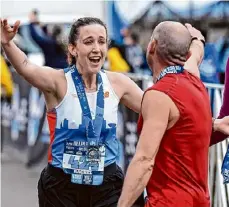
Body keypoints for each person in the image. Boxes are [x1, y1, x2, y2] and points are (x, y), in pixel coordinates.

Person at [1, 17, 228, 207]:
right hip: (62, 186)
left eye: (101, 42)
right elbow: (26, 66)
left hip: (107, 184)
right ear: (73, 48)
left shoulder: (118, 83)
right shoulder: (58, 81)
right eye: (88, 42)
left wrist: (212, 124)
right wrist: (7, 44)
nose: (96, 48)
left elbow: (163, 112)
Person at [117, 21, 229, 207]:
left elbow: (144, 160)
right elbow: (197, 54)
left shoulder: (159, 94)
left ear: (152, 46)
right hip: (201, 201)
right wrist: (196, 39)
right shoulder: (194, 79)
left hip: (168, 201)